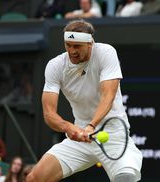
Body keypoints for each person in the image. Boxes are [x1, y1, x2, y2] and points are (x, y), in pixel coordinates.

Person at [26, 19, 143, 182]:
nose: (72, 51)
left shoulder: (105, 52)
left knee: (125, 179)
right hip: (79, 137)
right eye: (68, 45)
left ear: (90, 43)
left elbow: (107, 96)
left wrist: (91, 125)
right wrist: (68, 127)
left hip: (114, 135)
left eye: (77, 46)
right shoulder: (55, 66)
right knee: (34, 178)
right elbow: (49, 113)